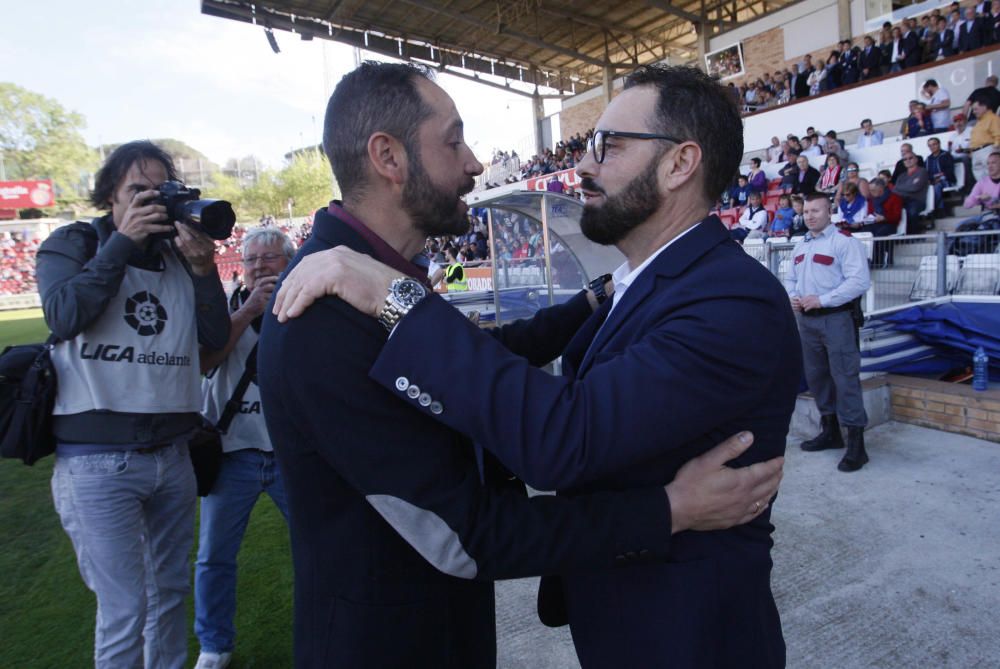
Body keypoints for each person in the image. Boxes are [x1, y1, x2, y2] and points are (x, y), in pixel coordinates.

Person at [258, 62, 786, 669]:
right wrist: (670, 508)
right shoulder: (326, 307)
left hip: (687, 636)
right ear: (388, 157)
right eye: (454, 140)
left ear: (678, 164)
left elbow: (551, 420)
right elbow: (467, 526)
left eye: (607, 146)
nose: (477, 162)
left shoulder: (729, 299)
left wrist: (400, 300)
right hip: (392, 642)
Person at [35, 141, 231, 668]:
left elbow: (213, 339)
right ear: (110, 198)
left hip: (172, 454)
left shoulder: (177, 259)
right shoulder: (75, 242)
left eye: (159, 191)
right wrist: (120, 245)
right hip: (96, 460)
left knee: (169, 593)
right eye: (135, 190)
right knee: (124, 608)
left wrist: (204, 269)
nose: (149, 202)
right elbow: (63, 314)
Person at [193, 227, 294, 669]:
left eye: (269, 258)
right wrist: (252, 308)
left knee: (321, 545)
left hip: (291, 454)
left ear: (290, 262)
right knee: (213, 557)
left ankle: (328, 625)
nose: (258, 267)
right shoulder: (223, 310)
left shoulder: (305, 307)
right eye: (251, 260)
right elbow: (204, 360)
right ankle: (215, 645)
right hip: (233, 453)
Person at [785, 193, 871, 472]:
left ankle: (857, 445)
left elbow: (859, 281)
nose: (809, 215)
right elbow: (791, 279)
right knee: (817, 378)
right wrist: (794, 296)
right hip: (807, 322)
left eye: (816, 210)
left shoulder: (844, 243)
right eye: (806, 211)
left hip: (836, 319)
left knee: (845, 378)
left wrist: (823, 300)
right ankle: (830, 431)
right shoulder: (801, 246)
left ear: (829, 211)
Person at [895, 153, 931, 228]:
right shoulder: (901, 176)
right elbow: (895, 189)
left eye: (910, 158)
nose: (908, 161)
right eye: (905, 159)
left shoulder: (922, 172)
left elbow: (915, 188)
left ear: (916, 159)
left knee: (911, 213)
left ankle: (914, 235)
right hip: (902, 200)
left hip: (916, 201)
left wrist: (902, 187)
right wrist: (909, 185)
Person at [925, 137, 957, 211]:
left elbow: (949, 171)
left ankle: (935, 209)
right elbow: (926, 174)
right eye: (930, 145)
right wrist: (931, 180)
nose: (932, 147)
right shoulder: (928, 159)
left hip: (946, 180)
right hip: (933, 181)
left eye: (934, 144)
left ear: (939, 144)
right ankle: (937, 208)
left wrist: (938, 178)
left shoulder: (946, 156)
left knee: (936, 187)